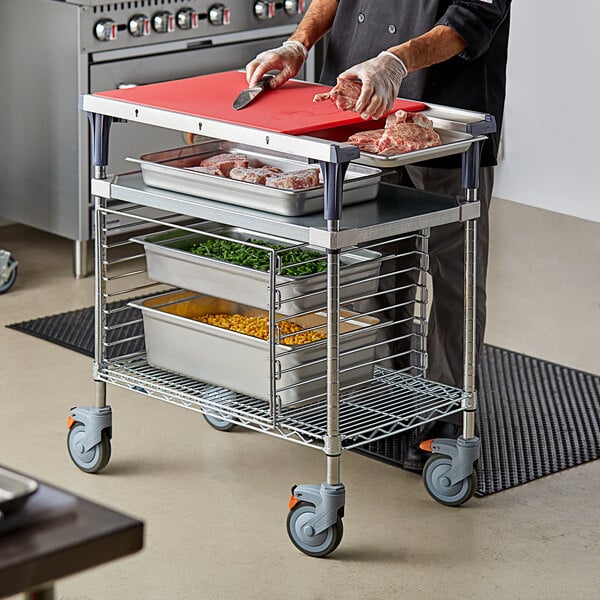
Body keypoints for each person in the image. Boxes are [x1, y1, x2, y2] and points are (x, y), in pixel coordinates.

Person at [246, 0, 511, 472]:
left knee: (455, 272)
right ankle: (384, 389)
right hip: (360, 107)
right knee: (376, 259)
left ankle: (447, 407)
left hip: (445, 118)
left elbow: (472, 17)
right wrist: (297, 43)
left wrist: (394, 61)